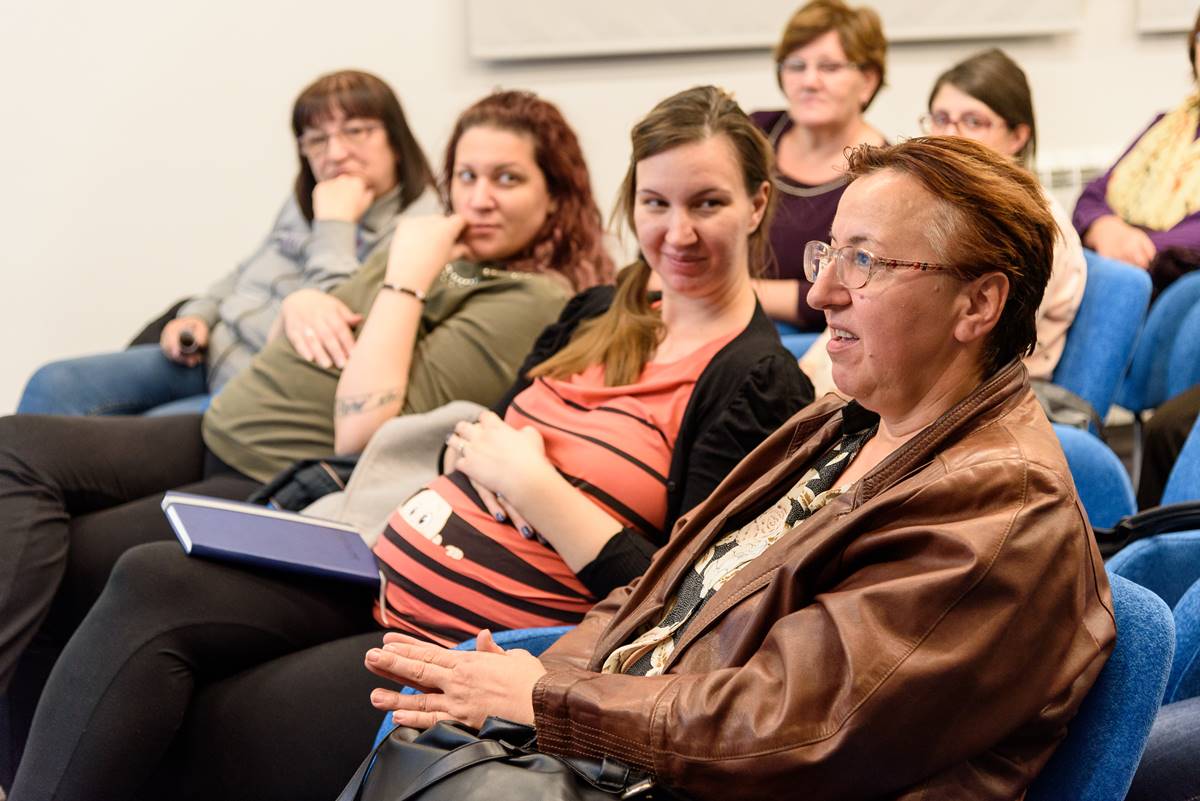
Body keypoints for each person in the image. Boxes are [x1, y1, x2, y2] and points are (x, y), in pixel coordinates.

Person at [9, 86, 812, 801]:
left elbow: (682, 606)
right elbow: (478, 435)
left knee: (202, 722)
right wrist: (482, 455)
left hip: (470, 641)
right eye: (655, 202)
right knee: (148, 575)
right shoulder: (600, 309)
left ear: (756, 204)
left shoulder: (756, 380)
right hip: (379, 565)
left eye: (707, 203)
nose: (676, 232)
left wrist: (537, 489)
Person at [363, 137, 1116, 801]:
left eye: (865, 261)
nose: (821, 292)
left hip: (702, 777)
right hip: (643, 758)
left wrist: (549, 698)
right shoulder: (845, 420)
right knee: (418, 747)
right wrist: (535, 684)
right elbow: (665, 588)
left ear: (978, 304)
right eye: (829, 254)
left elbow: (790, 730)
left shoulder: (1002, 507)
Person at [17, 69, 436, 417]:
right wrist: (197, 315)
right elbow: (246, 271)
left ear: (396, 141)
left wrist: (336, 225)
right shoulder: (308, 201)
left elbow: (336, 330)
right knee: (52, 383)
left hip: (261, 390)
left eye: (356, 131)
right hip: (208, 354)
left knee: (130, 434)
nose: (336, 153)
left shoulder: (420, 231)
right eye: (316, 139)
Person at [800, 48, 1087, 396]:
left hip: (967, 395)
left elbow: (963, 354)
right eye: (940, 118)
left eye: (973, 122)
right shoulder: (933, 208)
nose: (949, 134)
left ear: (1017, 137)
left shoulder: (1035, 226)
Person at [750, 0, 887, 330]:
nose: (809, 81)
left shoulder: (882, 175)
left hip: (816, 340)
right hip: (723, 320)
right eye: (796, 66)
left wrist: (730, 292)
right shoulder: (754, 133)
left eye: (829, 67)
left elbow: (857, 290)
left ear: (867, 81)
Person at [1072, 9, 1200, 274]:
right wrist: (1103, 227)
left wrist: (1132, 245)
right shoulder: (1166, 125)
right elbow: (1092, 195)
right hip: (1124, 268)